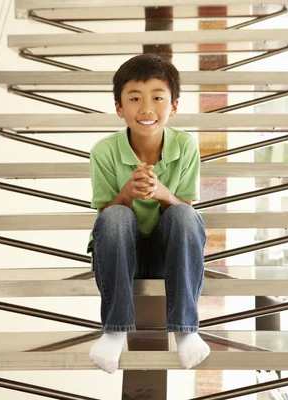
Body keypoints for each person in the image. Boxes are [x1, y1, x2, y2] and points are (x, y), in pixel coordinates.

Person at [87, 53, 210, 374]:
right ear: (119, 108)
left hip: (168, 255)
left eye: (158, 97)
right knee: (114, 218)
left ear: (174, 107)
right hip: (119, 254)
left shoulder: (185, 146)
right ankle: (114, 330)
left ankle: (186, 330)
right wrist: (128, 192)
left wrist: (160, 192)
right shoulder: (104, 151)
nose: (146, 108)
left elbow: (187, 211)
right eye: (134, 98)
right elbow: (104, 216)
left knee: (183, 217)